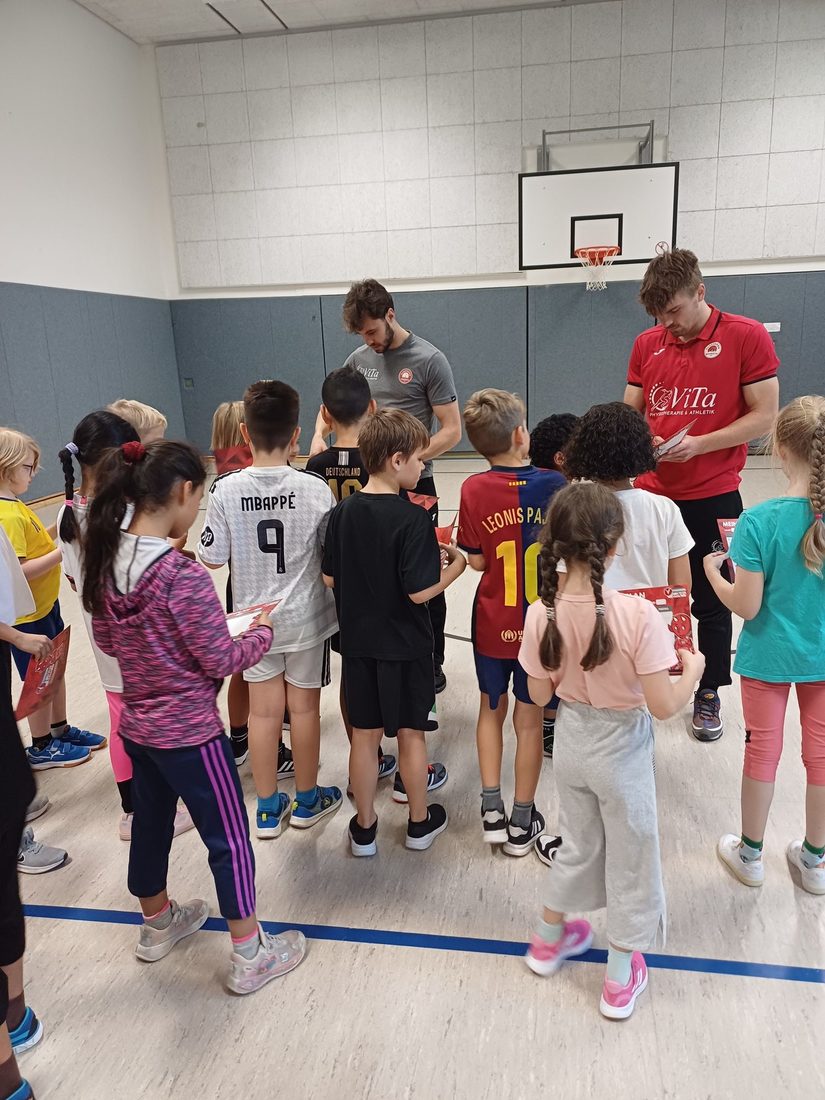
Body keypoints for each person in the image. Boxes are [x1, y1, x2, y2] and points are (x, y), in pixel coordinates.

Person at [82, 438, 306, 992]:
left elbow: (110, 640)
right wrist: (259, 634)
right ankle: (251, 952)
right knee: (228, 837)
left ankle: (157, 921)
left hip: (138, 727)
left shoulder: (109, 562)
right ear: (184, 493)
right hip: (191, 735)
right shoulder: (181, 577)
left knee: (152, 826)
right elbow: (219, 657)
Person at [519, 482, 704, 1020]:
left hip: (573, 743)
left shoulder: (541, 612)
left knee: (577, 843)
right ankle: (620, 976)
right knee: (632, 857)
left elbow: (536, 695)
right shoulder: (638, 616)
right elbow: (665, 706)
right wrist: (691, 671)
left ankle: (548, 939)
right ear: (615, 544)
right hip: (622, 750)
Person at [624, 248, 779, 741]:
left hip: (713, 494)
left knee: (710, 597)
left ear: (700, 293)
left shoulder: (745, 335)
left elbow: (765, 416)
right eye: (658, 315)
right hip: (652, 496)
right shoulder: (647, 343)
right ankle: (648, 679)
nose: (668, 324)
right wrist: (638, 439)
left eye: (675, 311)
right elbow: (630, 410)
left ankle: (708, 689)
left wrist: (700, 446)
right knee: (646, 595)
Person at [199, 380, 341, 839]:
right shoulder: (316, 488)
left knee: (262, 715)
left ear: (244, 433)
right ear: (297, 434)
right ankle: (305, 799)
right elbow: (328, 553)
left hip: (252, 624)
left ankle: (265, 808)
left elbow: (212, 556)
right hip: (306, 620)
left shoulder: (224, 490)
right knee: (303, 710)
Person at [322, 409, 465, 856]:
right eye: (420, 460)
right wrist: (455, 567)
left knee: (364, 737)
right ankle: (419, 825)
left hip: (360, 646)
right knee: (411, 734)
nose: (424, 468)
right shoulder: (412, 519)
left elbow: (330, 579)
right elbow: (420, 592)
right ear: (398, 459)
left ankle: (364, 828)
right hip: (407, 648)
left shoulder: (342, 512)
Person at [310, 279, 462, 695]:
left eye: (372, 331)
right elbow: (335, 408)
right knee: (370, 573)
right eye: (362, 334)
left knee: (424, 573)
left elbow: (452, 430)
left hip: (416, 483)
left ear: (390, 315)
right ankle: (374, 653)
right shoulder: (359, 358)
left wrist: (406, 460)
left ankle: (431, 661)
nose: (369, 340)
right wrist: (318, 437)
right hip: (367, 481)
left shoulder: (430, 359)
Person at [705, 396, 825, 894]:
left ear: (778, 448)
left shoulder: (756, 522)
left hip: (767, 658)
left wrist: (715, 573)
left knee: (762, 751)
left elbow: (747, 606)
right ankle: (815, 862)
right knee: (821, 756)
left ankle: (750, 854)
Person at [57, 411, 194, 841]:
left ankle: (131, 811)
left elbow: (75, 578)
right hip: (136, 632)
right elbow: (139, 570)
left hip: (102, 634)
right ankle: (159, 805)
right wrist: (174, 546)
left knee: (121, 718)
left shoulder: (67, 515)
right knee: (155, 718)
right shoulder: (119, 514)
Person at [458, 389, 565, 855]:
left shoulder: (472, 488)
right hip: (541, 625)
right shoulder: (556, 483)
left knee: (489, 708)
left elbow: (478, 562)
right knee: (530, 719)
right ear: (522, 434)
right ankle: (523, 819)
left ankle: (490, 809)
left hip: (491, 622)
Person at [0, 428, 105, 770]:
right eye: (28, 468)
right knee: (39, 680)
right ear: (7, 467)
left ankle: (59, 730)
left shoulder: (16, 507)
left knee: (54, 671)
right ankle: (41, 744)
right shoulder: (8, 516)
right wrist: (63, 552)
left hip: (46, 606)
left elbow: (36, 544)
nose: (32, 475)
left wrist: (59, 528)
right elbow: (20, 570)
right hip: (28, 618)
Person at [564, 402, 693, 591]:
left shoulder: (574, 507)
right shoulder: (664, 508)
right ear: (641, 449)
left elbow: (564, 580)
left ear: (581, 450)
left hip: (594, 615)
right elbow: (681, 586)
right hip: (652, 616)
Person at [529, 412, 580, 761]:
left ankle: (540, 721)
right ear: (562, 457)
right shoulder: (571, 496)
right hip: (557, 593)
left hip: (517, 600)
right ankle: (552, 721)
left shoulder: (521, 483)